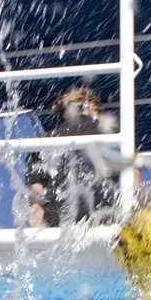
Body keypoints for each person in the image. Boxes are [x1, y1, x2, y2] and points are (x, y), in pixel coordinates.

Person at [25, 82, 120, 227]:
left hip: (56, 226)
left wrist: (34, 231)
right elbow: (134, 182)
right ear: (92, 107)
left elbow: (36, 202)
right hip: (101, 222)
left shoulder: (42, 142)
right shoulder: (111, 135)